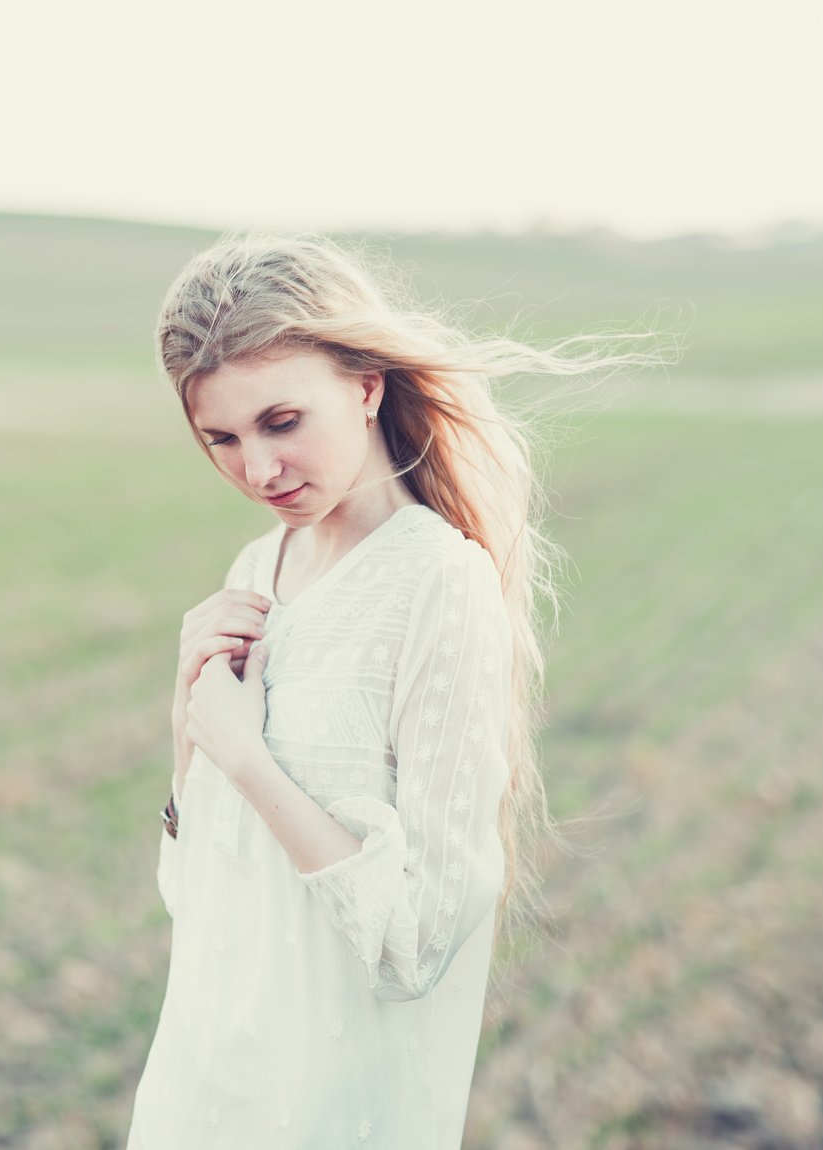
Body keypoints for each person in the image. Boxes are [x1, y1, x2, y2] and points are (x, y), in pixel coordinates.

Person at [124, 232, 675, 1148]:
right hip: (204, 1085)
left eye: (282, 422)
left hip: (330, 1105)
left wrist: (246, 758)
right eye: (220, 438)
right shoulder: (260, 564)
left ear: (367, 384)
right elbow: (199, 887)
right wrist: (187, 725)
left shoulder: (438, 583)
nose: (257, 472)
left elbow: (416, 941)